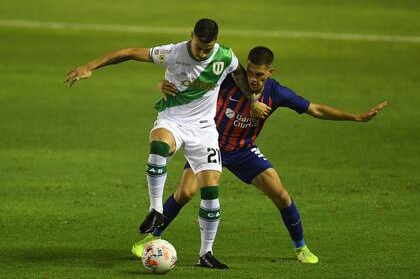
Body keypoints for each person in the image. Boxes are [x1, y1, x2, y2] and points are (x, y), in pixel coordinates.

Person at [132, 46, 387, 266]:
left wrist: (356, 117)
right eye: (250, 72)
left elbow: (316, 109)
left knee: (281, 194)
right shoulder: (229, 79)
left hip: (243, 150)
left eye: (259, 75)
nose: (253, 79)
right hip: (211, 145)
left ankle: (301, 247)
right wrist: (165, 84)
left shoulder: (276, 93)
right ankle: (150, 237)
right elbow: (194, 81)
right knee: (185, 192)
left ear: (270, 72)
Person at [65, 18, 269, 269]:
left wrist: (251, 99)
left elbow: (238, 75)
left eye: (208, 48)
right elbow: (128, 53)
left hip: (204, 129)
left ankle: (206, 253)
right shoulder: (173, 53)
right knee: (159, 146)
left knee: (210, 188)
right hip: (172, 118)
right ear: (190, 36)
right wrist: (90, 66)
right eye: (199, 47)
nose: (203, 53)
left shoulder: (225, 56)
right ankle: (156, 209)